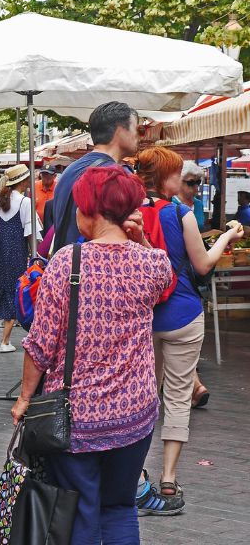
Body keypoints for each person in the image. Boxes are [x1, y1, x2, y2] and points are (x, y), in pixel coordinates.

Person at [12, 165, 172, 545]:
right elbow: (165, 275)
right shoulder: (152, 264)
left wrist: (23, 399)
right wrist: (142, 240)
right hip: (135, 416)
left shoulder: (67, 263)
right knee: (119, 508)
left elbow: (41, 345)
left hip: (76, 420)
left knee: (79, 511)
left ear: (92, 212)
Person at [133, 147, 245, 515]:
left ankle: (137, 474)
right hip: (182, 314)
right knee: (178, 397)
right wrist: (227, 238)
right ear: (167, 176)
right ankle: (168, 478)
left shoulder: (127, 215)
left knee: (144, 397)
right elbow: (201, 266)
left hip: (142, 317)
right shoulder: (181, 214)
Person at [52, 102, 140, 252]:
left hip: (69, 266)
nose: (139, 136)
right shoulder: (116, 177)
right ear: (120, 130)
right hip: (99, 269)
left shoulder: (69, 170)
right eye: (138, 129)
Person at [0, 164, 39, 353]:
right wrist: (35, 256)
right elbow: (31, 234)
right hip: (16, 253)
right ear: (23, 181)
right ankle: (6, 341)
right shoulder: (25, 202)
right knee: (14, 292)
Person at [173, 161, 206, 231]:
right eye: (191, 182)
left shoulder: (198, 204)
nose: (196, 186)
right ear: (179, 180)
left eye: (198, 182)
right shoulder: (170, 204)